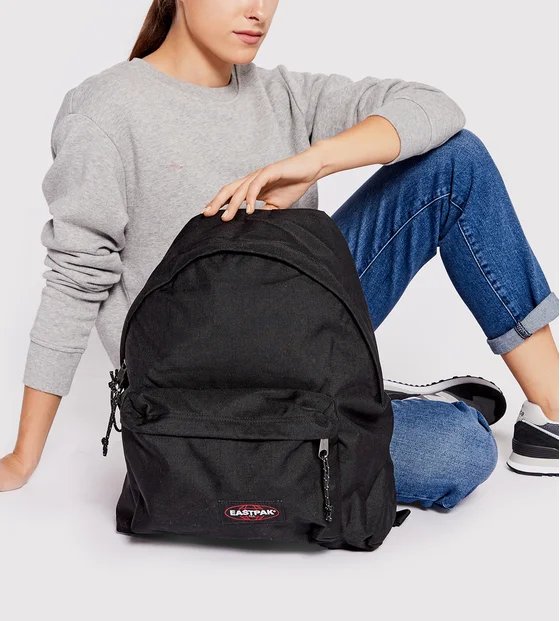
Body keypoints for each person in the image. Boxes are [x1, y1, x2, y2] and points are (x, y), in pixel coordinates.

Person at [1, 0, 558, 508]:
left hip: (301, 337)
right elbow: (75, 279)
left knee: (456, 161)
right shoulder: (105, 110)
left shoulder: (283, 94)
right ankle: (367, 398)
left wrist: (317, 160)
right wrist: (24, 457)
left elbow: (437, 108)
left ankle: (551, 416)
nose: (259, 11)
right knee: (459, 451)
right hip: (202, 393)